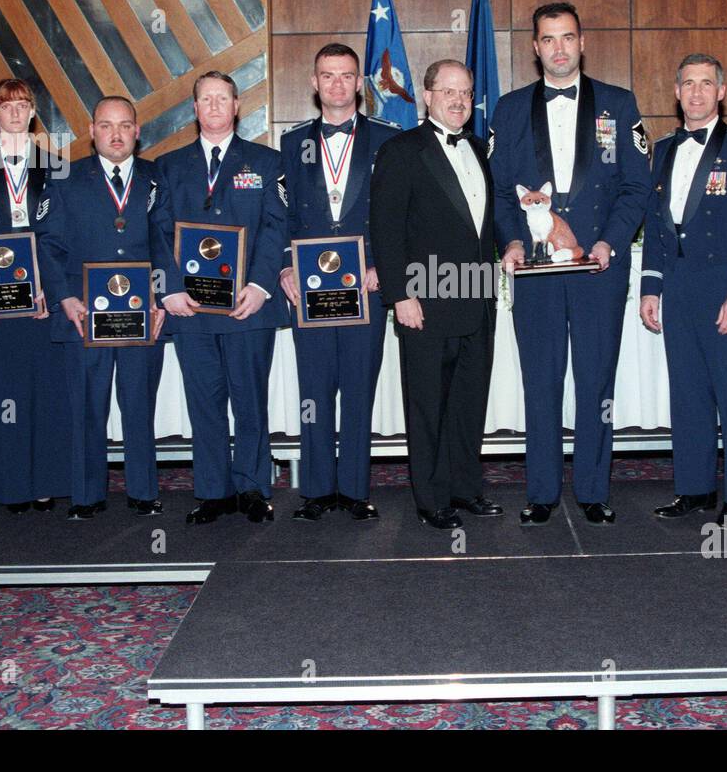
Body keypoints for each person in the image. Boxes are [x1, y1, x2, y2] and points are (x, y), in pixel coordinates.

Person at [489, 2, 650, 526]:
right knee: (540, 381)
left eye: (567, 38)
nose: (559, 48)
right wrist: (511, 243)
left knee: (595, 380)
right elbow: (498, 195)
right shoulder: (509, 110)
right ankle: (540, 492)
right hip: (534, 274)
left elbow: (636, 186)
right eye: (548, 39)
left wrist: (610, 243)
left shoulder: (620, 105)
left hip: (597, 271)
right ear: (535, 48)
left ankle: (593, 490)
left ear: (583, 42)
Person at [641, 54, 727, 523]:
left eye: (705, 84)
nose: (696, 92)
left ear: (721, 92)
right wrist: (650, 288)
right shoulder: (661, 149)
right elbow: (657, 229)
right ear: (676, 92)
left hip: (723, 289)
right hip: (678, 287)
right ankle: (694, 487)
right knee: (688, 391)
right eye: (688, 84)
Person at [369, 59, 498, 530]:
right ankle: (431, 497)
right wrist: (401, 295)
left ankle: (466, 489)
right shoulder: (401, 150)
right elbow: (385, 229)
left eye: (465, 92)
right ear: (427, 96)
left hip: (478, 298)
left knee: (469, 402)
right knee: (428, 405)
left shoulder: (480, 148)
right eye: (448, 92)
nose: (458, 100)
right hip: (425, 301)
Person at [154, 71, 289, 525]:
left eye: (222, 98)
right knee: (204, 400)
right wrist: (169, 287)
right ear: (194, 109)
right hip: (190, 310)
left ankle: (252, 486)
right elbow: (157, 231)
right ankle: (212, 490)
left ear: (237, 106)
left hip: (248, 306)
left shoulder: (267, 163)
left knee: (249, 398)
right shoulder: (168, 167)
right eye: (205, 98)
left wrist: (261, 285)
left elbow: (276, 227)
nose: (213, 105)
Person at [277, 44, 402, 522]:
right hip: (306, 292)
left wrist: (384, 271)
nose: (335, 84)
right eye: (327, 75)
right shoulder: (290, 145)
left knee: (357, 389)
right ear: (314, 82)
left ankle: (353, 488)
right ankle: (314, 490)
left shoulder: (389, 140)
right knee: (313, 390)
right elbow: (278, 218)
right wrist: (283, 270)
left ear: (359, 84)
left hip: (365, 289)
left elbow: (401, 216)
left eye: (345, 76)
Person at [37, 96, 173, 519]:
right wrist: (65, 297)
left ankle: (143, 493)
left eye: (125, 125)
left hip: (140, 313)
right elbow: (47, 244)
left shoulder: (157, 178)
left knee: (138, 405)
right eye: (107, 125)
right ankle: (86, 496)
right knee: (86, 407)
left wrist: (161, 298)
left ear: (137, 131)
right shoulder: (65, 179)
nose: (116, 134)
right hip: (83, 317)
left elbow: (168, 243)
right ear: (92, 130)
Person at [0, 79, 72, 514]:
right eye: (8, 106)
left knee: (46, 393)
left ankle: (45, 483)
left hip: (41, 301)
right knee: (2, 394)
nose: (16, 113)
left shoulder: (56, 166)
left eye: (24, 105)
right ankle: (10, 486)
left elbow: (63, 239)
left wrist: (53, 289)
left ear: (33, 112)